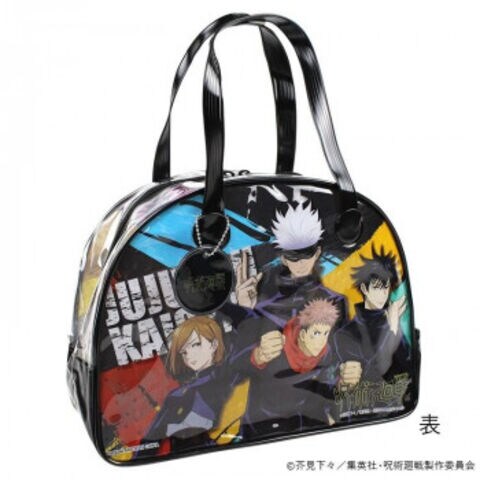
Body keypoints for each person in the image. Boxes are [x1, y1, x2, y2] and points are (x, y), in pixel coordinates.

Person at [231, 297, 362, 440]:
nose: (321, 341)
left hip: (303, 427)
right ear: (303, 335)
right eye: (316, 334)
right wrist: (257, 356)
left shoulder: (327, 355)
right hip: (262, 427)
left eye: (326, 334)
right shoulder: (276, 345)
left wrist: (344, 385)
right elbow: (235, 367)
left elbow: (328, 394)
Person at [134, 315, 235, 458]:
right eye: (184, 352)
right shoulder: (178, 394)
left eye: (195, 345)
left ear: (214, 345)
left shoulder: (228, 375)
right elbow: (150, 439)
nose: (189, 355)